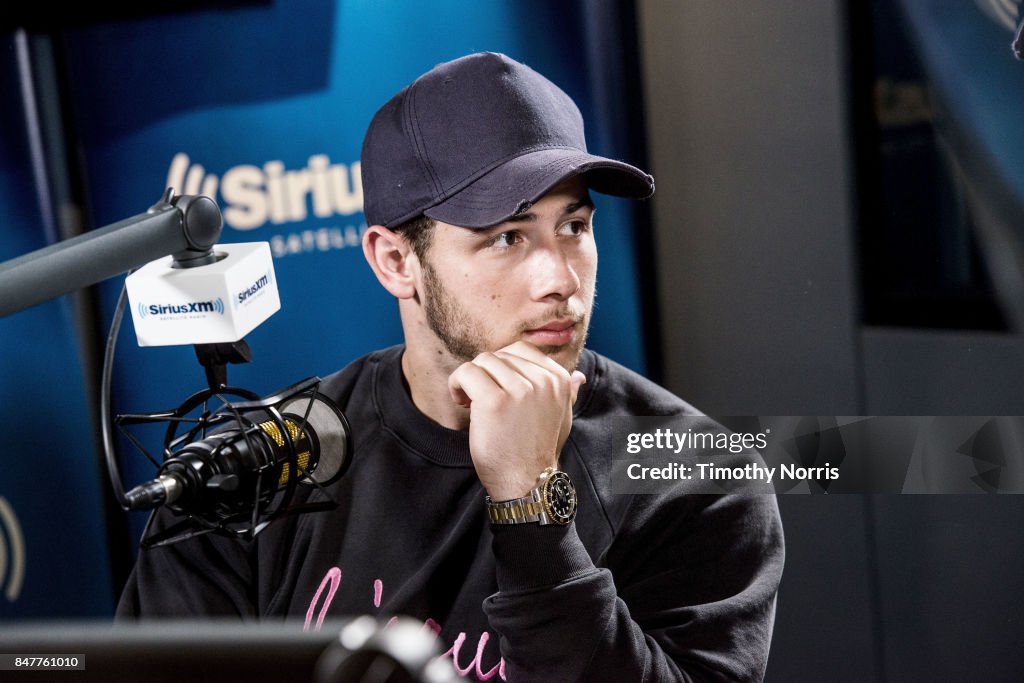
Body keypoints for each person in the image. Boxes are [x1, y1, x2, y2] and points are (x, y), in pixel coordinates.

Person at [118, 52, 785, 682]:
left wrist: (532, 507)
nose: (561, 279)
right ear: (396, 261)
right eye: (508, 236)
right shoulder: (251, 475)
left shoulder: (699, 476)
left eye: (574, 227)